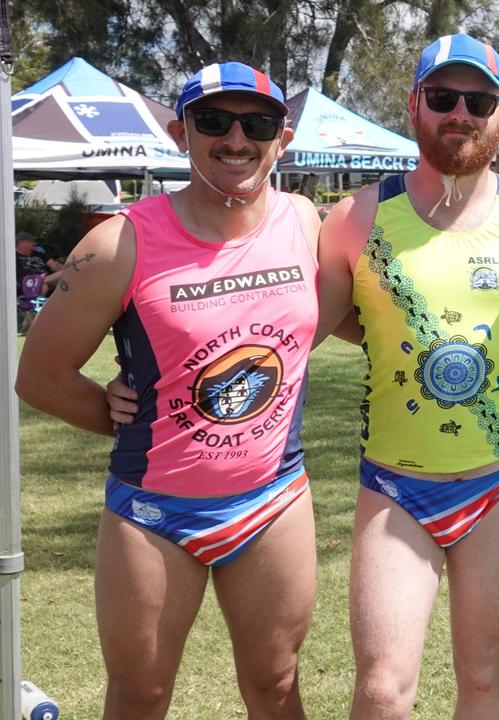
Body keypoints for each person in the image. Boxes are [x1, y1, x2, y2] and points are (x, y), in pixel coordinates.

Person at [15, 62, 320, 719]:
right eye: (213, 122)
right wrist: (113, 410)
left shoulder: (305, 221)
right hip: (154, 514)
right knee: (141, 696)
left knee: (275, 685)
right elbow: (38, 375)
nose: (236, 139)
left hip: (273, 500)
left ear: (282, 138)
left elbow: (319, 323)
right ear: (180, 133)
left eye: (257, 124)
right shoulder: (116, 243)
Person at [314, 33, 499, 719]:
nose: (461, 112)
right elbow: (300, 331)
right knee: (382, 688)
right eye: (443, 97)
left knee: (484, 679)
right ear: (413, 105)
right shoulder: (356, 218)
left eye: (479, 100)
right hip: (396, 486)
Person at [15, 230, 64, 295]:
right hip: (27, 281)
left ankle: (42, 282)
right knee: (44, 286)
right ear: (22, 242)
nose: (35, 243)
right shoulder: (12, 257)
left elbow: (55, 266)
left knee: (64, 274)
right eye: (31, 241)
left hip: (46, 279)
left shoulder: (39, 254)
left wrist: (66, 268)